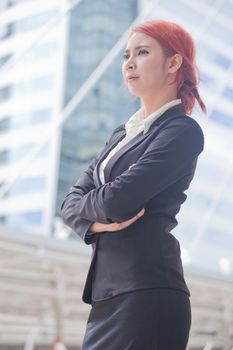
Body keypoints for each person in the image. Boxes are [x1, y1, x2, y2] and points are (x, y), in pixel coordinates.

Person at [61, 19, 206, 350]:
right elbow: (69, 204)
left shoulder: (181, 131)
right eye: (126, 54)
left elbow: (118, 201)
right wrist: (98, 222)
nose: (129, 62)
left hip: (147, 293)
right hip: (106, 297)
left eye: (142, 52)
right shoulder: (120, 135)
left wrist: (96, 208)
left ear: (173, 63)